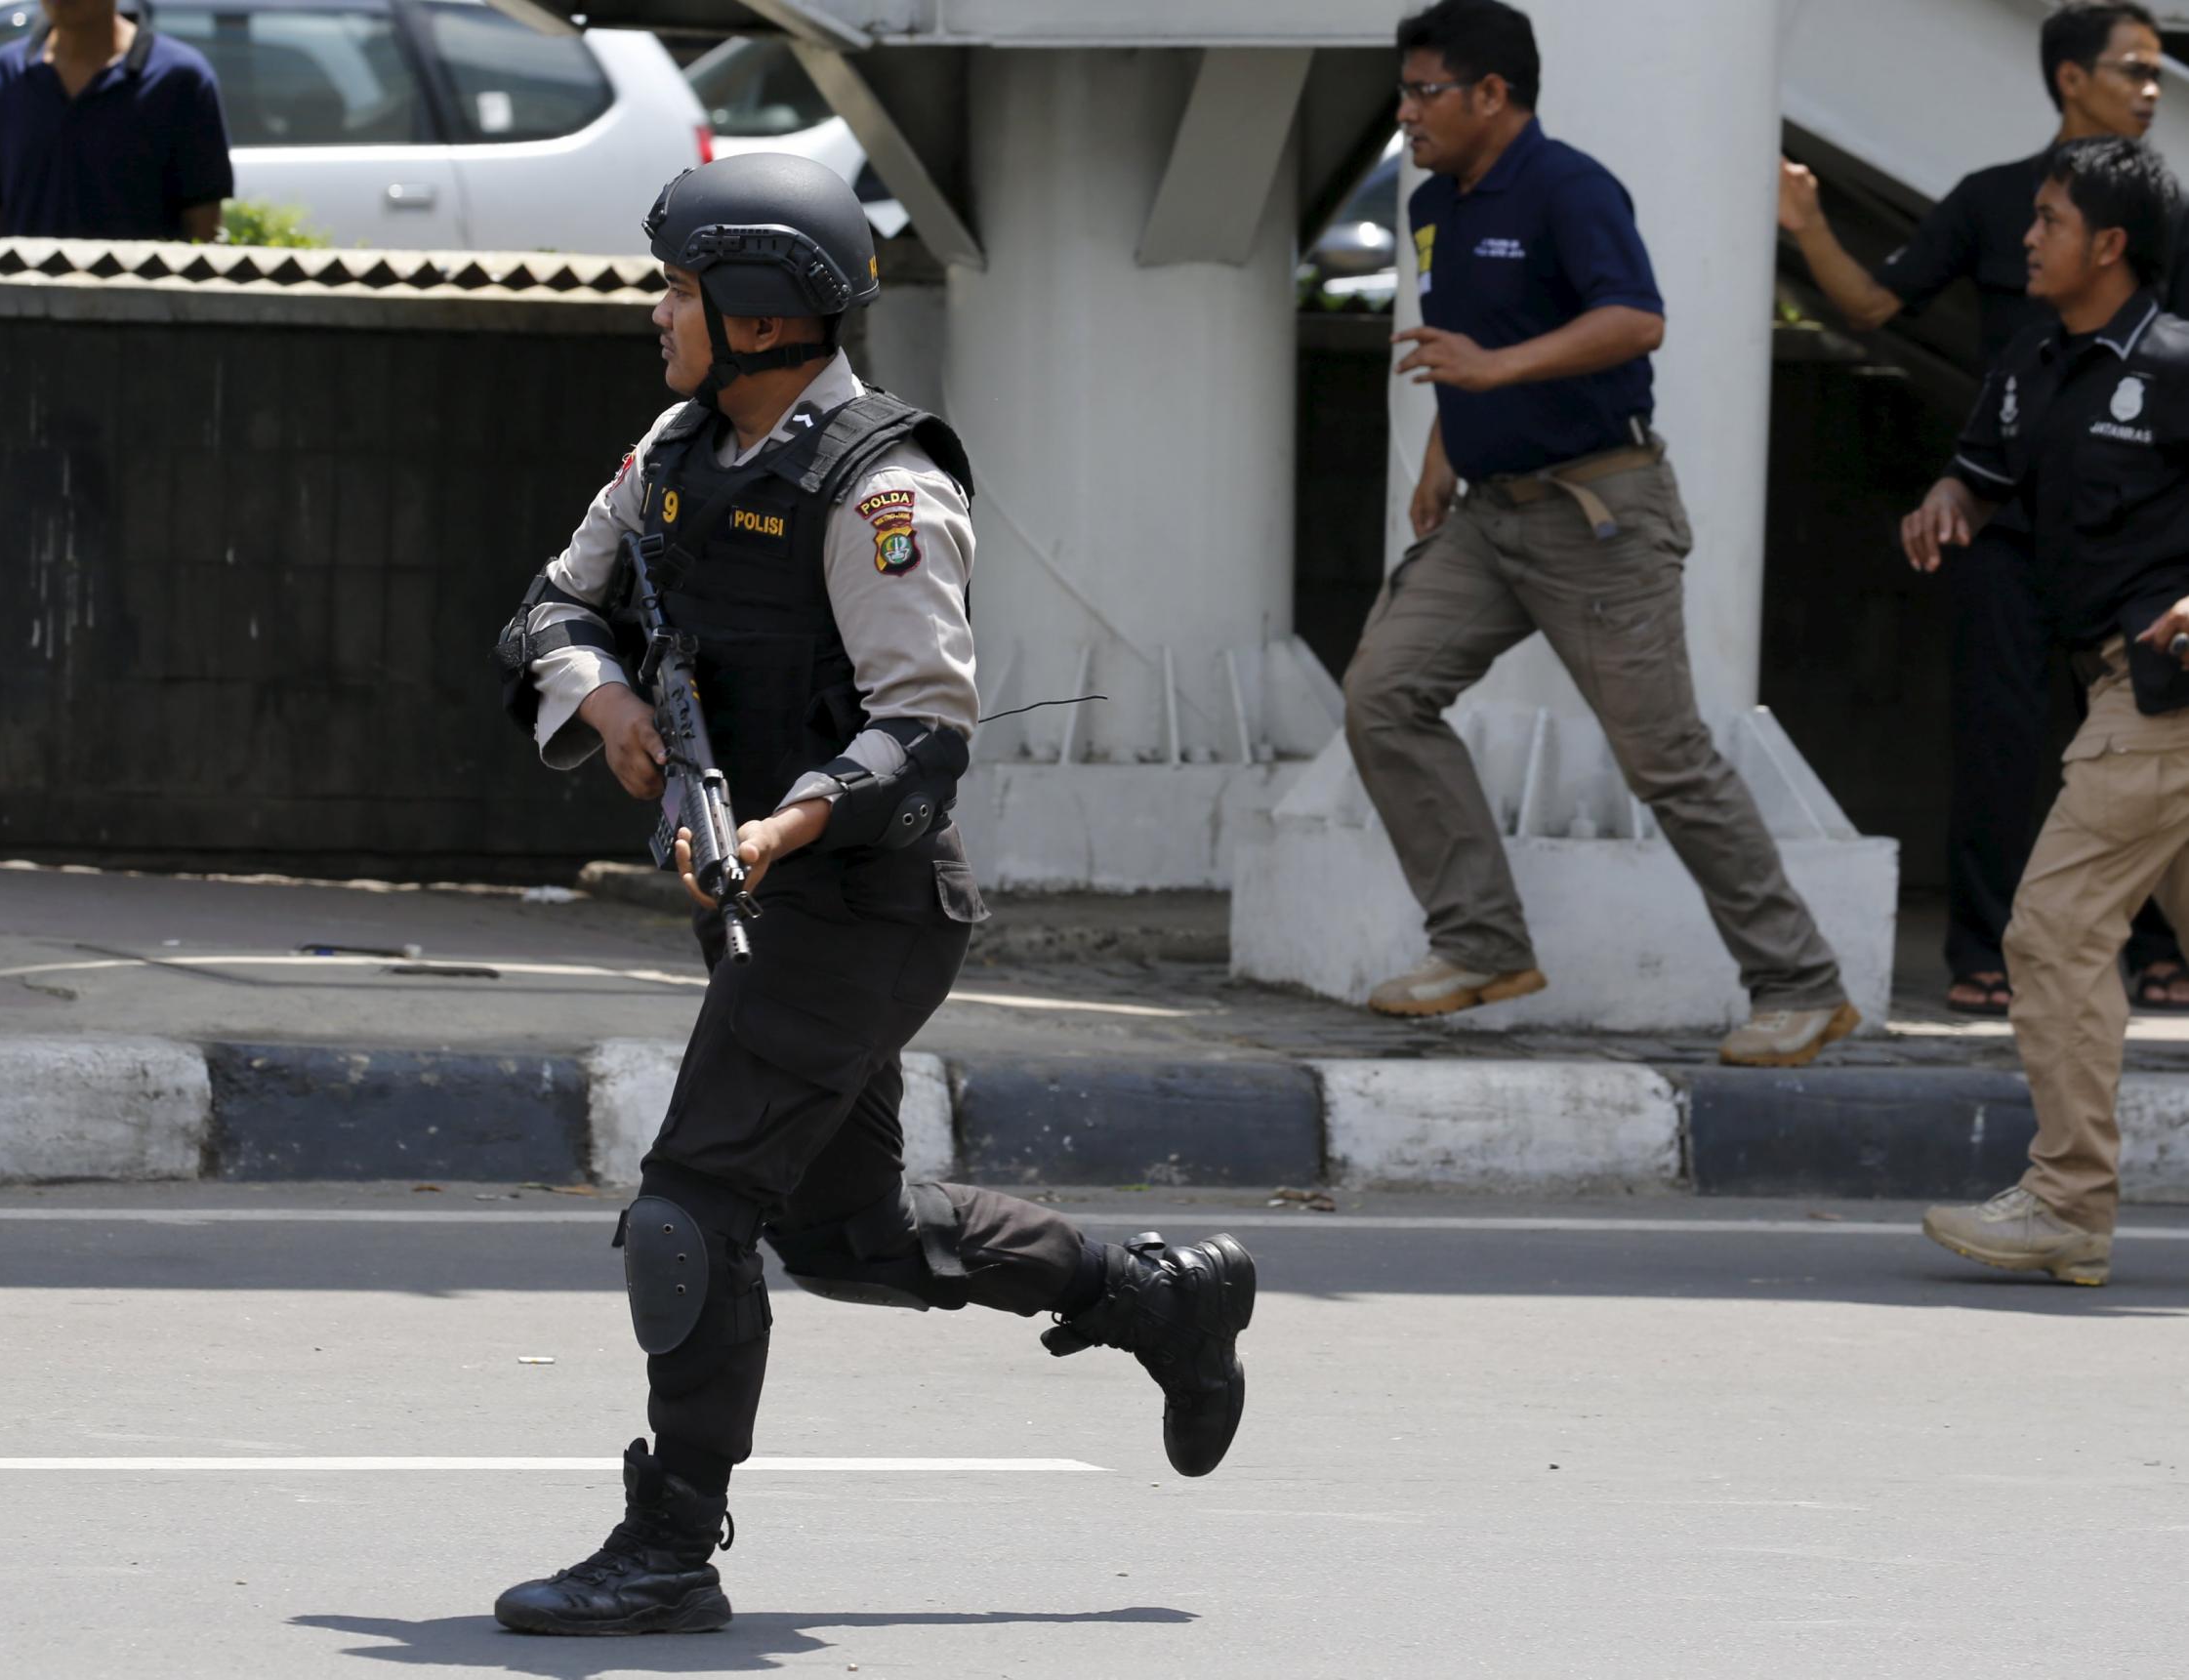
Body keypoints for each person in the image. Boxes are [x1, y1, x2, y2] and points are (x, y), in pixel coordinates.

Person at [487, 153, 1256, 1637]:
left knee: (691, 1207)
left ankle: (668, 1545)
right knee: (852, 1234)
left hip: (861, 909)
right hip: (765, 901)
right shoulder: (675, 452)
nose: (661, 312)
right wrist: (609, 710)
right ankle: (1153, 1295)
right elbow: (548, 607)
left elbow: (923, 731)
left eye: (684, 288)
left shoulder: (883, 494)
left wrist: (780, 826)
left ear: (762, 307)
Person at [1341, 0, 1857, 1069]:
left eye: (1425, 90)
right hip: (1491, 515)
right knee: (1382, 697)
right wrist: (1445, 450)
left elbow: (1635, 319)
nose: (1407, 112)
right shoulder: (1433, 199)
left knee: (1665, 759)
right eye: (1404, 90)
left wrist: (1491, 373)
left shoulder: (1570, 186)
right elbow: (1469, 338)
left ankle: (1800, 984)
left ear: (1493, 94)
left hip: (1598, 515)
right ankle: (1480, 943)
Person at [1778, 1, 2189, 1018]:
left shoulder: (2166, 254)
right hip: (2013, 515)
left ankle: (2147, 946)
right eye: (2132, 69)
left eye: (2155, 72)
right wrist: (1808, 228)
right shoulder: (1997, 210)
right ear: (2068, 79)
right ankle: (1989, 945)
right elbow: (1874, 307)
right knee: (2004, 741)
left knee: (2142, 738)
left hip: (2137, 535)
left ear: (2115, 247)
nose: (2149, 88)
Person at [1907, 138, 2189, 1287]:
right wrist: (1948, 492)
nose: (2028, 236)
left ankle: (2069, 1202)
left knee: (2051, 927)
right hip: (2109, 683)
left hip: (2159, 690)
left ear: (2109, 245)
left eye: (2050, 218)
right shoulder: (2032, 360)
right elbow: (1988, 466)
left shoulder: (2174, 363)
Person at [0, 0, 231, 243]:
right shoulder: (9, 72)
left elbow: (204, 225)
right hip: (25, 300)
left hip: (138, 302)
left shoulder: (180, 79)